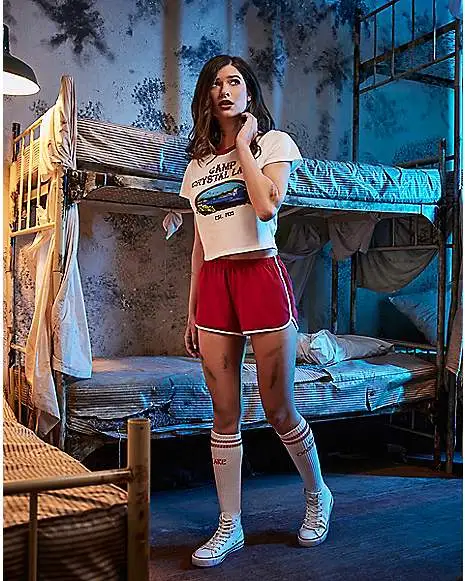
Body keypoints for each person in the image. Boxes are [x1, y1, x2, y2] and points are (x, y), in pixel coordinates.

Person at [180, 55, 333, 568]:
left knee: (278, 407)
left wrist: (244, 144)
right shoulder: (196, 167)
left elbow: (267, 207)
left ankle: (318, 495)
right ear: (206, 97)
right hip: (215, 285)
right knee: (223, 412)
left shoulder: (274, 144)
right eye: (215, 84)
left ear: (249, 93)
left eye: (235, 82)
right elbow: (199, 245)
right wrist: (191, 310)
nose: (224, 90)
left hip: (261, 277)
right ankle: (230, 524)